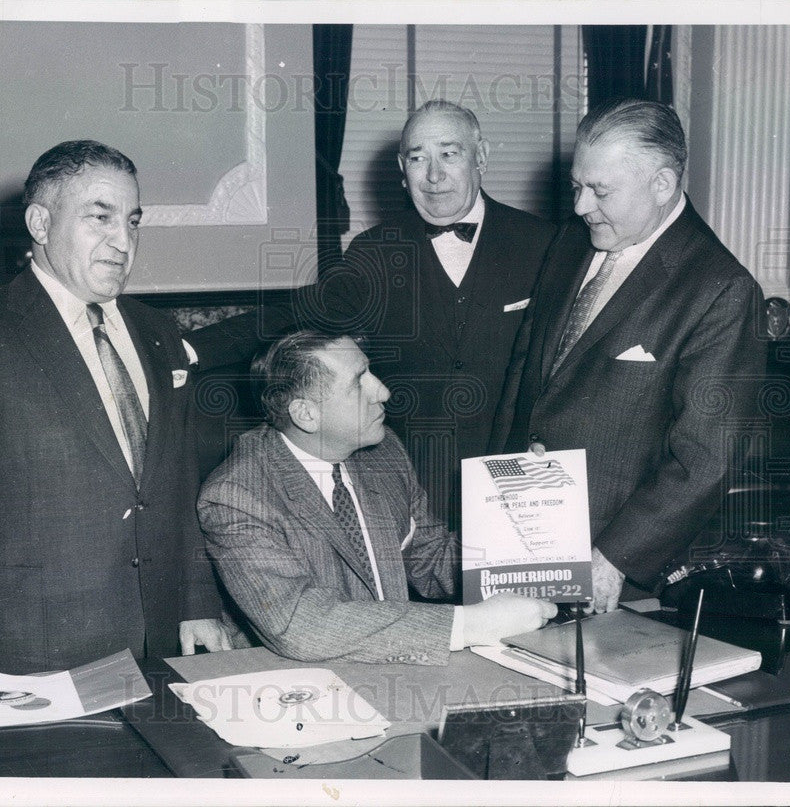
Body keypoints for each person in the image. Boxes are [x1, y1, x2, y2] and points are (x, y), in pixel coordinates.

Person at [0, 140, 231, 705]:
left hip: (160, 645)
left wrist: (197, 601)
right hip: (28, 657)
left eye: (132, 221)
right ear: (40, 223)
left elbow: (174, 488)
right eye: (99, 217)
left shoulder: (158, 333)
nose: (122, 241)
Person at [188, 100, 556, 530]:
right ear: (402, 170)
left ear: (482, 157)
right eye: (418, 158)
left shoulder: (545, 244)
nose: (433, 176)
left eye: (449, 154)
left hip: (519, 481)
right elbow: (300, 311)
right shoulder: (376, 250)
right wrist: (189, 347)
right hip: (412, 485)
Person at [488, 98, 766, 614]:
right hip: (520, 541)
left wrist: (613, 560)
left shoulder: (720, 290)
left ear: (662, 184)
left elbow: (706, 458)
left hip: (616, 573)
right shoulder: (572, 242)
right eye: (577, 186)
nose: (579, 206)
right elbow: (524, 375)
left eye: (600, 190)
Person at [198, 331, 556, 665]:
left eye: (371, 372)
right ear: (306, 414)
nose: (382, 391)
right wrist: (473, 624)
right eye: (359, 383)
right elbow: (299, 625)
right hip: (297, 687)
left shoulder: (382, 453)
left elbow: (431, 559)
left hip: (396, 665)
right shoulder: (237, 495)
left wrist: (522, 513)